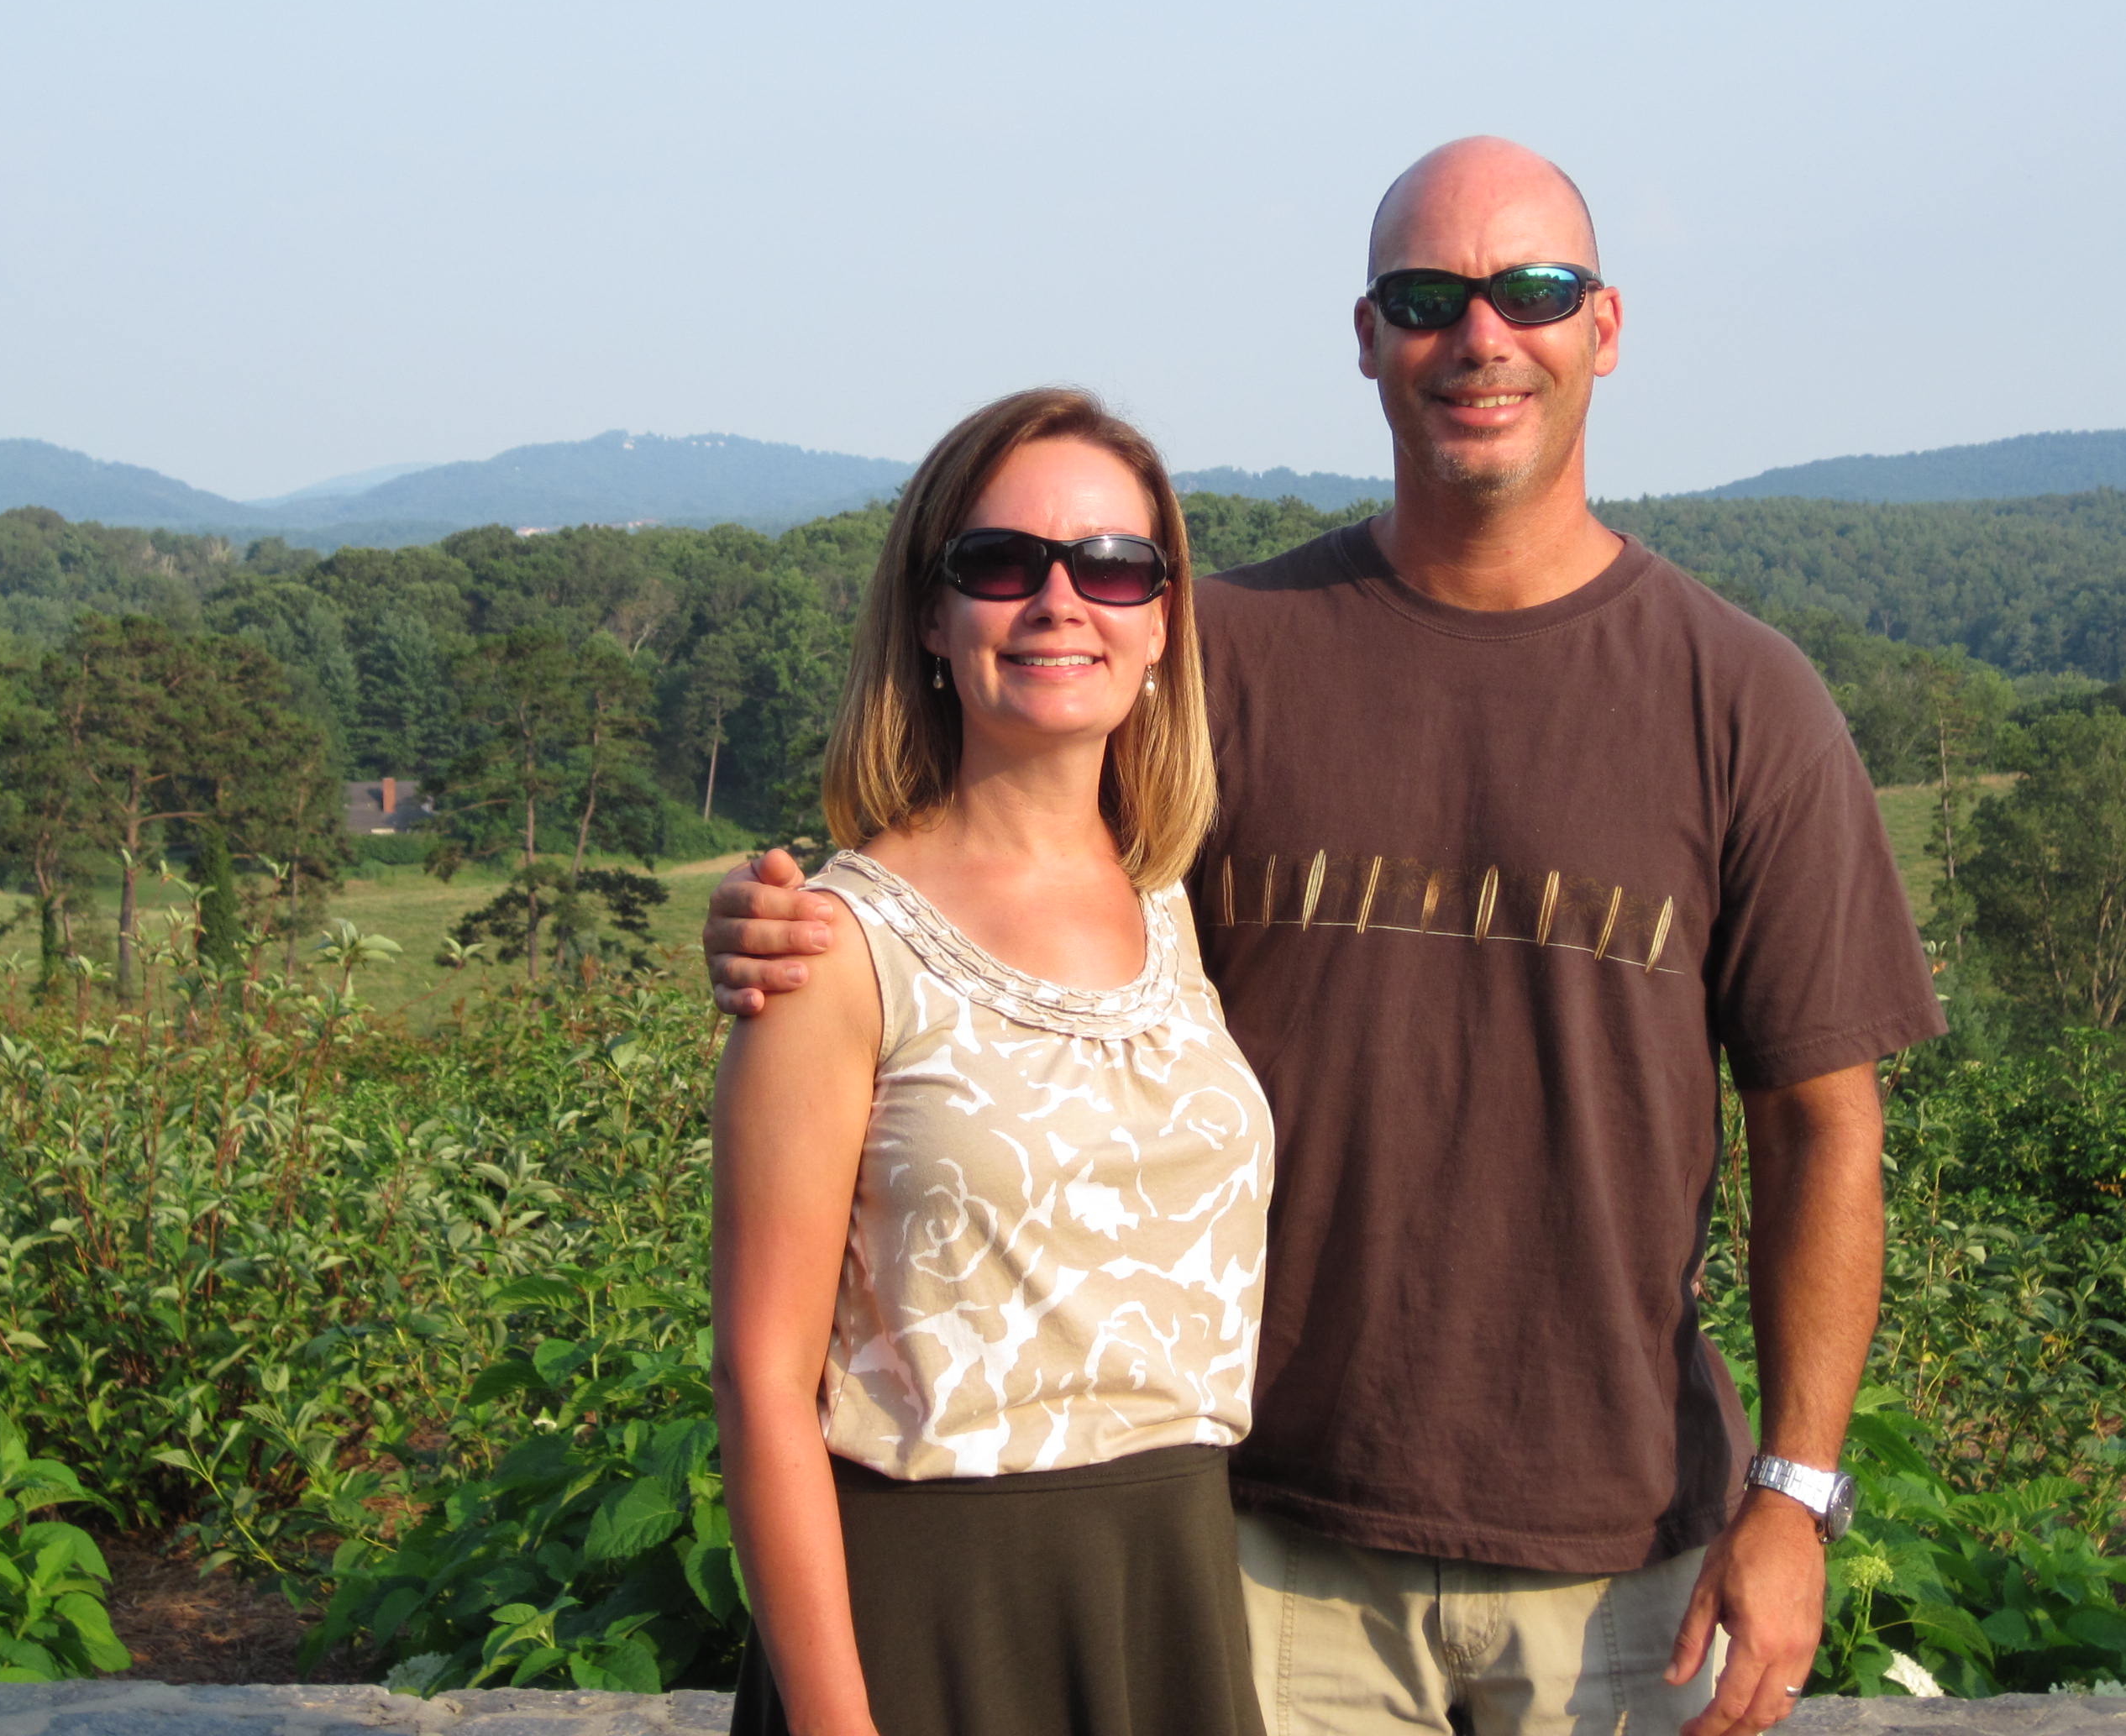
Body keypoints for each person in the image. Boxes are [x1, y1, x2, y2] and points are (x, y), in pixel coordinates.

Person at [710, 138, 1944, 1736]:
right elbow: (998, 870)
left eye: (1533, 292)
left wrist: (1797, 1492)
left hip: (1627, 1564)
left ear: (1605, 326)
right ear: (1367, 336)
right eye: (1426, 298)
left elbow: (1827, 1127)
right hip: (1257, 1552)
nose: (1481, 336)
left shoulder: (1744, 700)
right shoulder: (1226, 665)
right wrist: (793, 925)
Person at [711, 387, 1275, 1736]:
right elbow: (761, 1384)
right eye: (1002, 563)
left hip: (1169, 1593)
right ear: (931, 614)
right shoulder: (836, 948)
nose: (1059, 602)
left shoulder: (1179, 905)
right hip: (928, 1622)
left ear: (1162, 622)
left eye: (1114, 565)